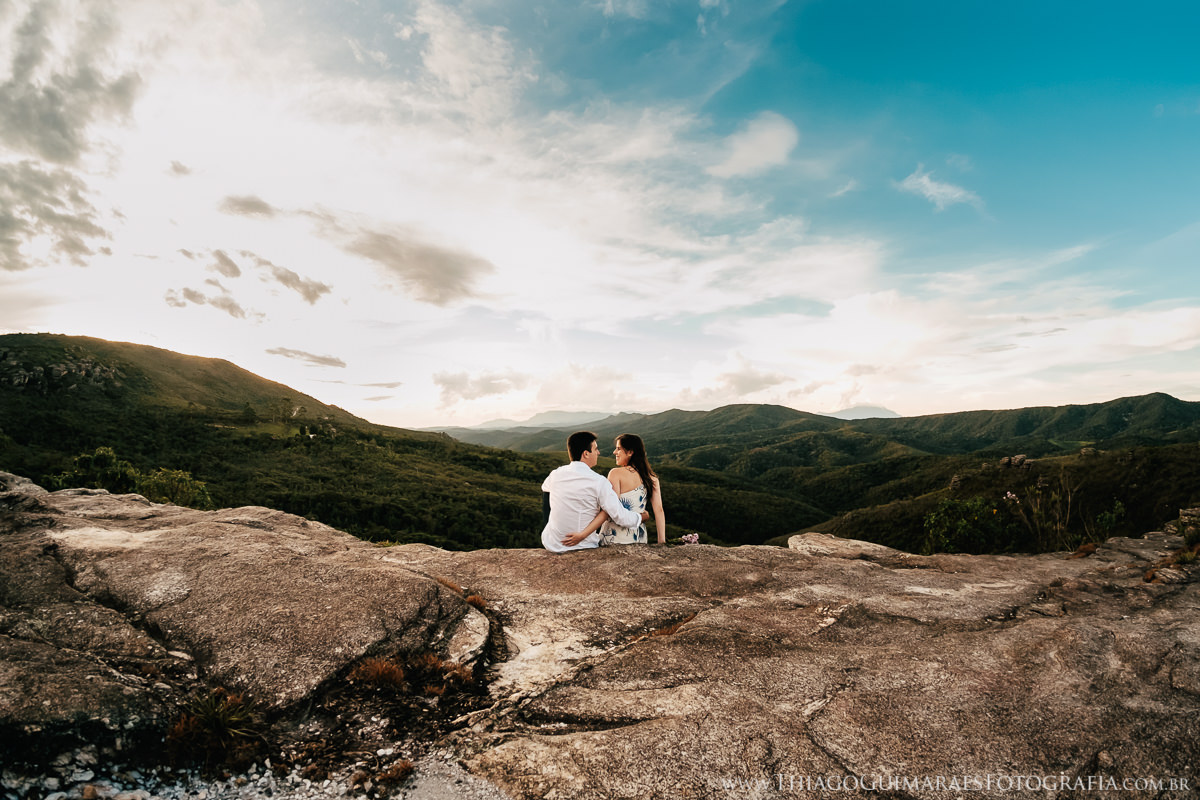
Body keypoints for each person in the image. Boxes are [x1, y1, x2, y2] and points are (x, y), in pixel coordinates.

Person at [540, 431, 647, 553]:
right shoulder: (599, 482)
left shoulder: (555, 474)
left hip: (552, 542)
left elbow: (545, 491)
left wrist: (550, 525)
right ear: (586, 454)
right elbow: (619, 515)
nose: (598, 452)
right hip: (582, 545)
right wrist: (641, 517)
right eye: (595, 449)